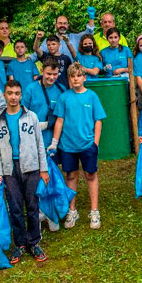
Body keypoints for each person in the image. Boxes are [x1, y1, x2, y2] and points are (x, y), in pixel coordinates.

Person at [0, 80, 51, 264]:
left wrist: (43, 169)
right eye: (10, 93)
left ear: (21, 95)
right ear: (4, 95)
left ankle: (34, 242)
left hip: (30, 167)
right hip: (10, 170)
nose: (13, 97)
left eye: (17, 93)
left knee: (32, 206)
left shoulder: (30, 117)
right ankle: (20, 244)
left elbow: (40, 144)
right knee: (15, 208)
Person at [49, 64, 106, 230]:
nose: (75, 79)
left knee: (90, 175)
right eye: (72, 76)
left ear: (84, 78)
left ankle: (94, 211)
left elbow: (98, 121)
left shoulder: (92, 96)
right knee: (71, 176)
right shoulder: (64, 97)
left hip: (88, 144)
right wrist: (55, 142)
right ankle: (72, 210)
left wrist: (95, 143)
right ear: (68, 79)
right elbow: (59, 121)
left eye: (78, 76)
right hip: (67, 145)